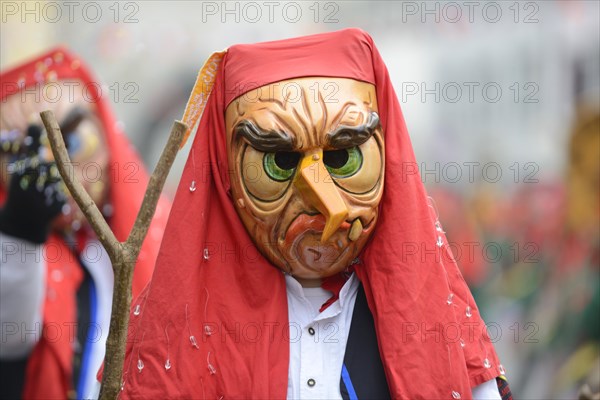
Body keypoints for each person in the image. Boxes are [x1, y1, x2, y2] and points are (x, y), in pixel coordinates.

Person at [120, 28, 512, 399]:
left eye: (342, 157)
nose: (326, 205)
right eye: (280, 161)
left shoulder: (445, 338)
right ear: (226, 172)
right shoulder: (174, 340)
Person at [0, 48, 170, 399]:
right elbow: (9, 340)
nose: (57, 167)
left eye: (72, 141)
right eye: (21, 153)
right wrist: (20, 233)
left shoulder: (159, 234)